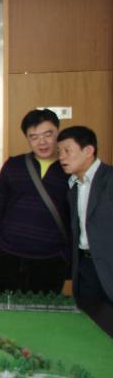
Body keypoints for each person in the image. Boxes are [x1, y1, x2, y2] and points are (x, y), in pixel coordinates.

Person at [0, 109, 70, 294]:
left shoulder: (69, 169)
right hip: (6, 255)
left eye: (48, 134)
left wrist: (65, 253)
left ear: (58, 133)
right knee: (0, 307)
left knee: (42, 310)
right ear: (27, 139)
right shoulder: (13, 165)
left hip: (50, 259)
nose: (42, 142)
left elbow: (75, 216)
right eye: (34, 137)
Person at [58, 126, 113, 337]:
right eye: (59, 152)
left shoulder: (110, 179)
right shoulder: (73, 187)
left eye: (67, 151)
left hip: (108, 266)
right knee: (92, 330)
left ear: (88, 150)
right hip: (85, 267)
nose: (61, 157)